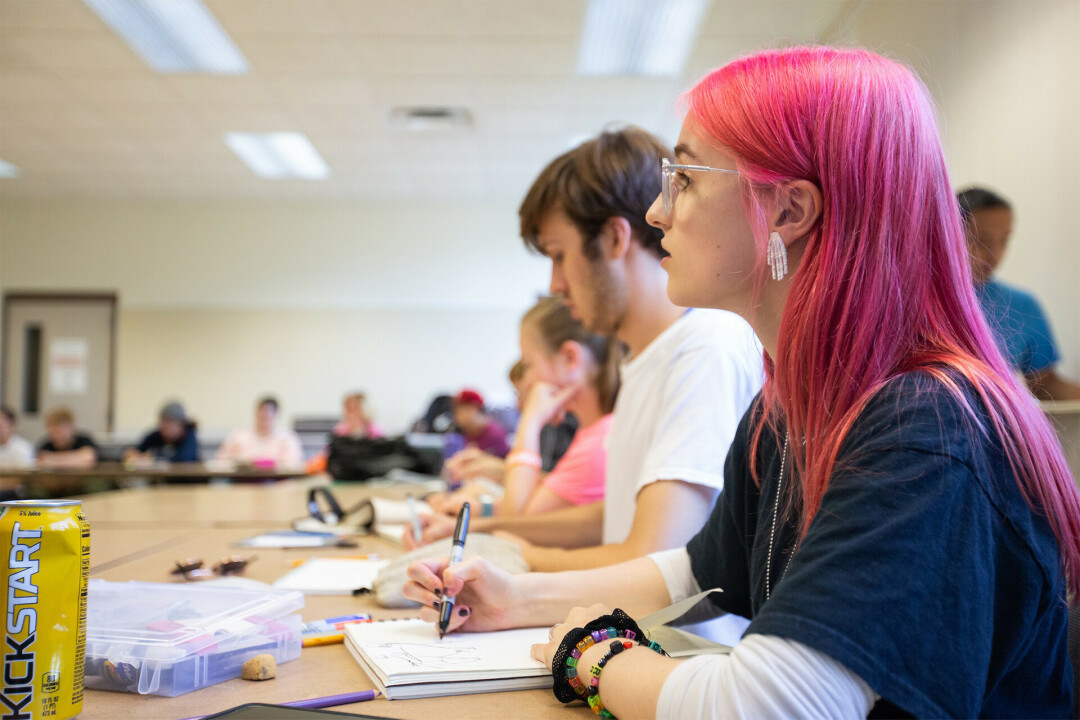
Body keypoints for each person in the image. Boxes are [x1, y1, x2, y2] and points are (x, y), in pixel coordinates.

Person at [404, 47, 1080, 717]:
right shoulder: (789, 405)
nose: (657, 213)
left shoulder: (924, 428)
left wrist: (595, 652)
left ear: (789, 211)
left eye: (686, 179)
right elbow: (699, 572)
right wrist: (515, 598)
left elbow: (771, 707)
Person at [407, 127, 763, 579]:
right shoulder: (647, 358)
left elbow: (655, 554)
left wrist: (524, 556)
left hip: (677, 646)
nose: (555, 285)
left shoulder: (704, 348)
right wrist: (490, 529)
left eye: (559, 256)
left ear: (615, 240)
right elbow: (615, 517)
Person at [431, 297, 620, 517]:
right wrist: (483, 508)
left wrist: (530, 422)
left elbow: (517, 520)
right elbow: (538, 510)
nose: (527, 382)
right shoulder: (592, 434)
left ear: (570, 358)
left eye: (529, 365)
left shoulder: (599, 443)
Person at [958, 186, 1080, 400]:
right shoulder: (915, 302)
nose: (995, 254)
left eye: (1004, 240)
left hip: (998, 430)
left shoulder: (1022, 306)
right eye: (981, 241)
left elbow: (1045, 384)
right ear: (948, 235)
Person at [443, 360, 578, 484]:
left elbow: (557, 488)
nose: (517, 405)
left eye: (519, 393)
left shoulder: (558, 426)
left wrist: (502, 472)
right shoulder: (543, 428)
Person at [216, 396, 303, 468]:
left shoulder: (287, 437)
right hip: (242, 483)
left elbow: (294, 464)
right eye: (260, 412)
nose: (263, 415)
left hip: (278, 485)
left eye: (267, 413)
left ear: (276, 414)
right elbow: (220, 460)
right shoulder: (239, 435)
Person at [124, 401, 199, 464]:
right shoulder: (157, 435)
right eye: (162, 422)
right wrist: (130, 453)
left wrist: (153, 458)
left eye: (168, 423)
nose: (163, 427)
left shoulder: (189, 436)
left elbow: (184, 460)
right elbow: (138, 449)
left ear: (180, 425)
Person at [450, 389, 510, 458]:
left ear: (474, 408)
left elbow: (501, 464)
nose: (457, 417)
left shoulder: (495, 434)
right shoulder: (468, 432)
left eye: (460, 412)